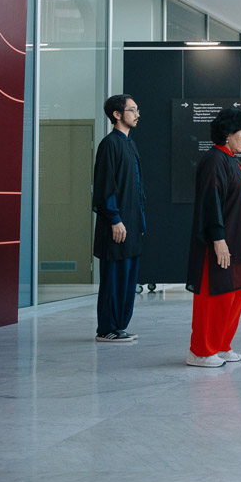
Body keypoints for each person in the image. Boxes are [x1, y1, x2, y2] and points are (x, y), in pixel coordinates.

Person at [185, 107, 241, 367]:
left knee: (233, 296)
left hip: (239, 242)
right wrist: (218, 240)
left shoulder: (232, 160)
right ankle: (201, 351)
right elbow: (210, 202)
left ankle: (221, 345)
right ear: (228, 133)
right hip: (221, 243)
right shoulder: (215, 160)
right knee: (213, 297)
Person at [91, 94, 147, 344]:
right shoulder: (109, 144)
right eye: (132, 110)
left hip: (131, 224)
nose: (137, 114)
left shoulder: (130, 144)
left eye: (137, 109)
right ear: (117, 114)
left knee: (127, 278)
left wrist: (139, 221)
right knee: (113, 278)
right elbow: (105, 186)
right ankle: (106, 329)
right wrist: (115, 218)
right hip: (117, 225)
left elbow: (136, 187)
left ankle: (119, 326)